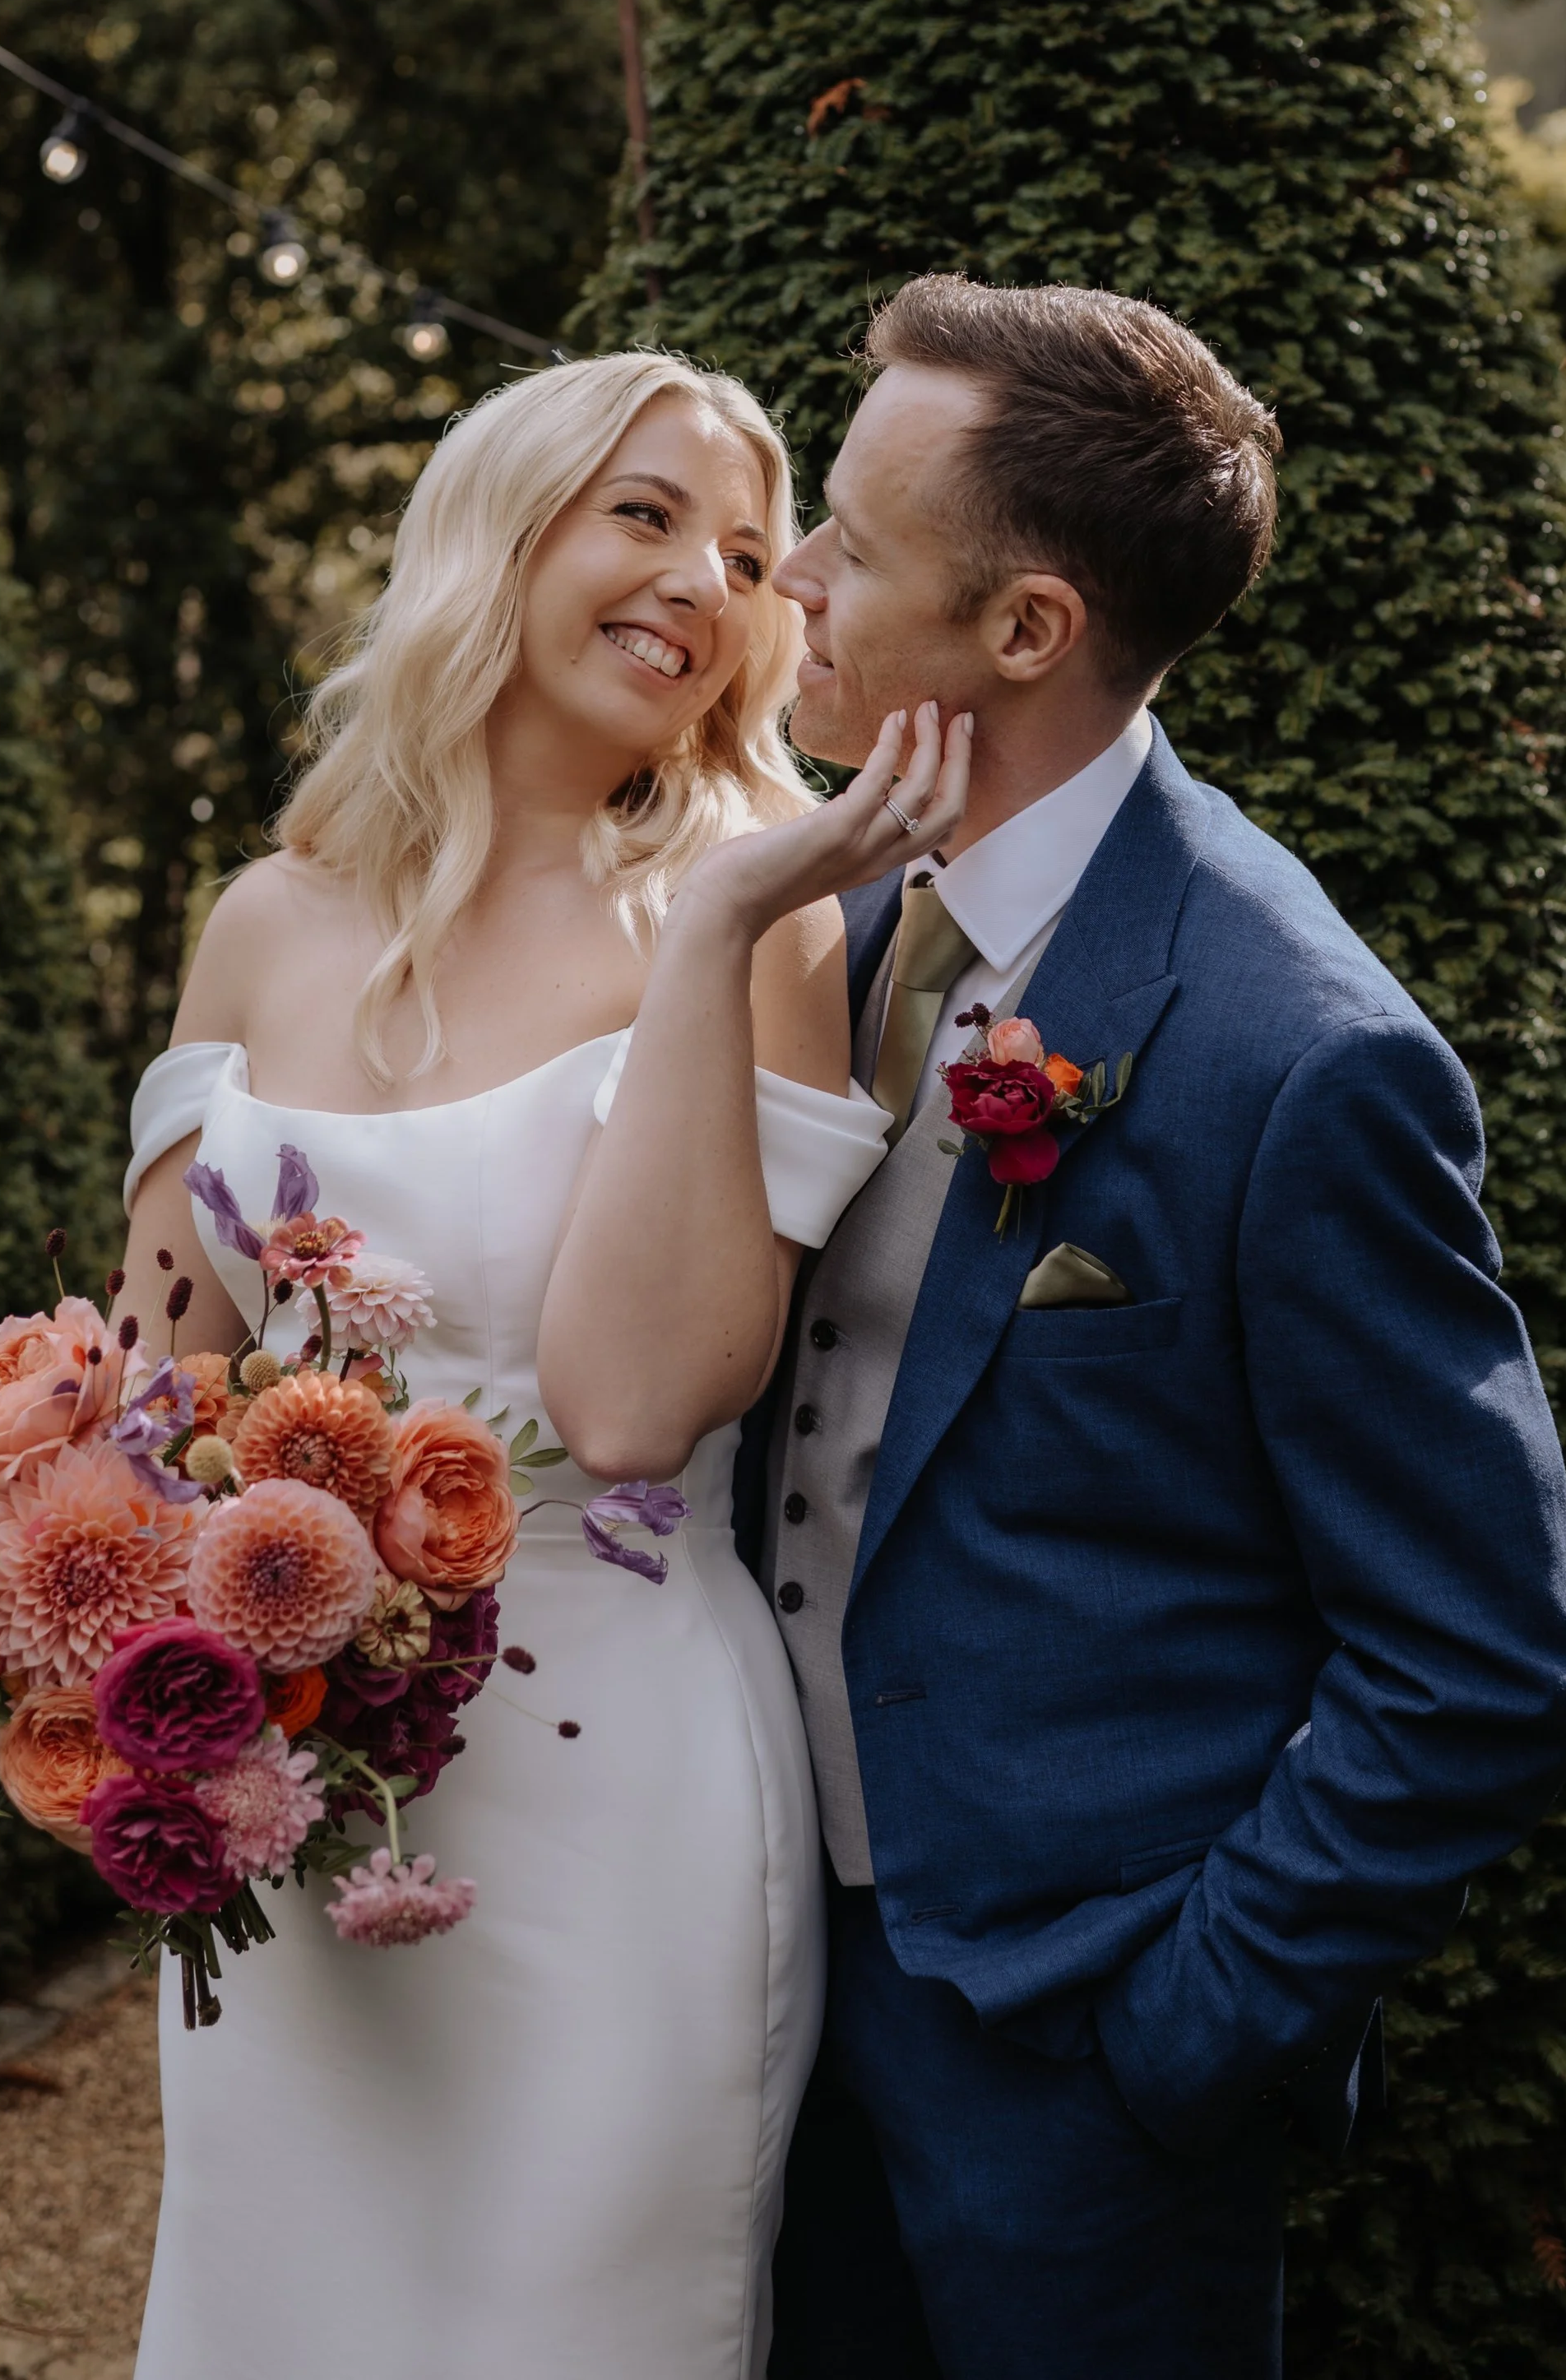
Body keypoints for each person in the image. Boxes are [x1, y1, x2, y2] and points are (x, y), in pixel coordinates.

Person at [755, 276, 1566, 2380]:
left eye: (852, 542)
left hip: (1075, 2052)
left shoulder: (1297, 1054)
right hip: (753, 1968)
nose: (792, 574)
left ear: (1025, 630)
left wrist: (1182, 2025)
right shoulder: (823, 913)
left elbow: (1487, 1664)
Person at [118, 349, 967, 2380]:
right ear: (501, 528)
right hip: (295, 1773)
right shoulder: (262, 922)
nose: (703, 581)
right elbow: (150, 1391)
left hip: (612, 1770)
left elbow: (637, 1405)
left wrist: (708, 937)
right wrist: (106, 1645)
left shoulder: (759, 917)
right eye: (647, 514)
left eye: (750, 555)